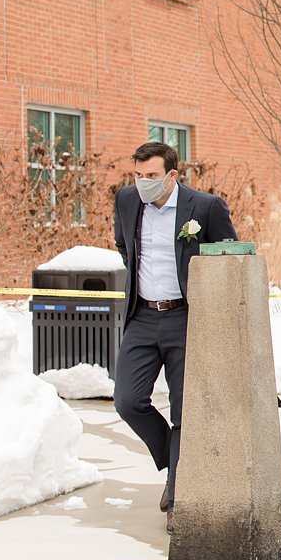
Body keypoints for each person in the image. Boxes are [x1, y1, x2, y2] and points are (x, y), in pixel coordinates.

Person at [112, 140, 237, 534]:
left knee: (184, 409)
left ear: (172, 175)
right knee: (128, 401)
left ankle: (178, 494)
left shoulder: (205, 207)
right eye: (138, 175)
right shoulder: (127, 201)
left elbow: (229, 255)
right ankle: (173, 459)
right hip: (143, 316)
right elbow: (123, 247)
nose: (143, 183)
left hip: (187, 318)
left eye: (151, 176)